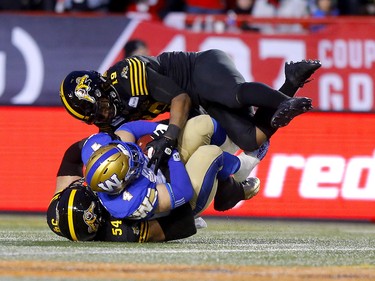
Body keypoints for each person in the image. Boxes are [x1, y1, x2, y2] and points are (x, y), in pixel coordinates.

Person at [59, 49, 320, 174]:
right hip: (196, 105)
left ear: (102, 88)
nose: (104, 116)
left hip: (198, 72)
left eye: (101, 107)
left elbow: (179, 97)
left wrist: (170, 136)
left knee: (233, 94)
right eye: (96, 116)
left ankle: (281, 101)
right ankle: (291, 81)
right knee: (252, 139)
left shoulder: (125, 75)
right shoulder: (109, 118)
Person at [47, 178, 197, 242]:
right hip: (179, 201)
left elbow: (71, 156)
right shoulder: (120, 229)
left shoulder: (55, 216)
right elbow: (185, 224)